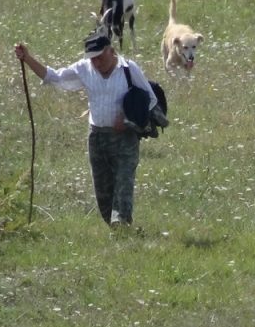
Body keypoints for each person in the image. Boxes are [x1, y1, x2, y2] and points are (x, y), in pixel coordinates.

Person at [15, 30, 158, 228]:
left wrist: (127, 118)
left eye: (100, 57)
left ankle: (122, 226)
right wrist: (28, 58)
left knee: (123, 184)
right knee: (103, 193)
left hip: (125, 136)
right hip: (97, 138)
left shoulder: (128, 69)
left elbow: (151, 99)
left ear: (111, 51)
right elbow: (54, 77)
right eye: (92, 59)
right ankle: (115, 227)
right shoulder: (84, 69)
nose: (96, 63)